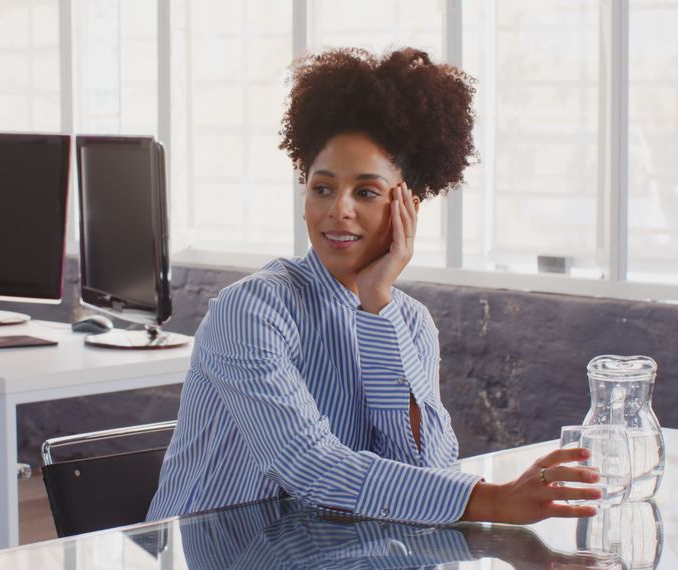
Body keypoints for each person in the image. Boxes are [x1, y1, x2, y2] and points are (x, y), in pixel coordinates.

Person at [148, 47, 601, 525]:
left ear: (407, 206)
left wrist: (377, 305)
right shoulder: (251, 310)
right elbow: (309, 466)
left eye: (365, 192)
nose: (338, 209)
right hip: (212, 553)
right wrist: (494, 500)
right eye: (322, 188)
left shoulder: (408, 322)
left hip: (328, 555)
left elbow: (429, 466)